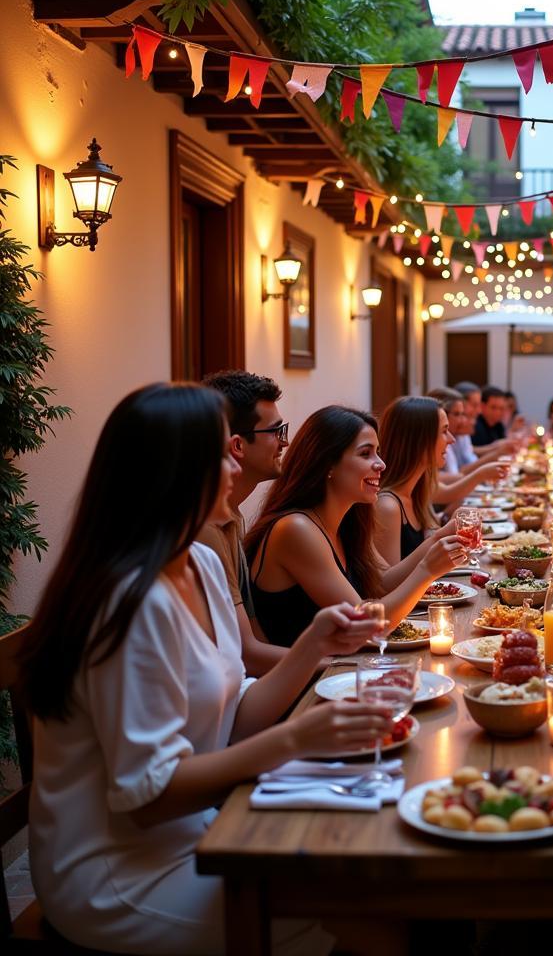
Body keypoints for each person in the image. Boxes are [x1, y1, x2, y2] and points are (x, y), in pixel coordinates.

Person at [21, 383, 391, 955]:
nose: (235, 465)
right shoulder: (128, 602)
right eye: (223, 453)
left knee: (371, 869)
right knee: (375, 912)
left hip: (203, 829)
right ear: (175, 473)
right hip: (118, 872)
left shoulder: (197, 561)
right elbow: (148, 799)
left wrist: (313, 647)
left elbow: (236, 711)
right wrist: (294, 737)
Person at [245, 405, 466, 647]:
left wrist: (438, 540)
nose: (381, 464)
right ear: (327, 464)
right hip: (314, 681)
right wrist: (427, 570)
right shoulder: (296, 529)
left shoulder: (347, 519)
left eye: (378, 452)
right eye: (365, 454)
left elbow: (383, 582)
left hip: (342, 669)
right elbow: (367, 624)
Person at [198, 370, 289, 675]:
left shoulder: (231, 513)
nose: (285, 442)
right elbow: (246, 653)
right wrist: (336, 666)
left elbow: (254, 634)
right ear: (237, 446)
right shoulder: (207, 530)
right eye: (276, 432)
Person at [375, 396, 508, 564]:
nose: (451, 439)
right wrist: (441, 535)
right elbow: (385, 586)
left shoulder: (418, 488)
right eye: (444, 431)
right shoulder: (387, 506)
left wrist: (450, 520)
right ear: (420, 440)